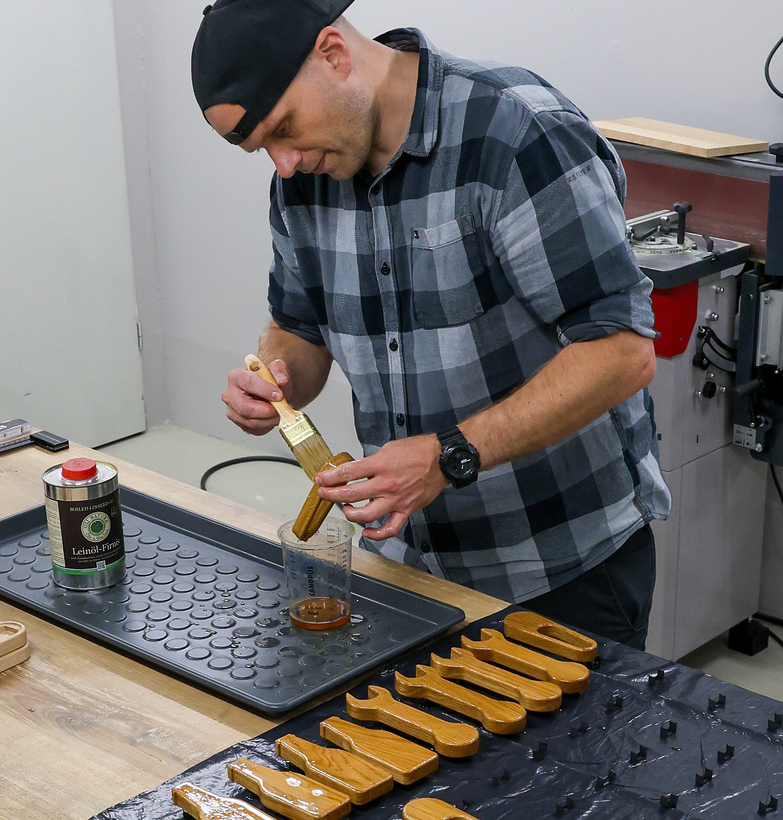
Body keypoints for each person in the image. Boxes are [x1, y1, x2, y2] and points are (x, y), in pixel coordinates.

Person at [191, 0, 671, 649]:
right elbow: (297, 330)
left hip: (558, 569)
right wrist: (275, 382)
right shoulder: (303, 181)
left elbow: (620, 351)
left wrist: (450, 456)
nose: (283, 163)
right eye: (262, 149)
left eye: (283, 128)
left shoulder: (516, 134)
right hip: (407, 570)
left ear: (334, 54)